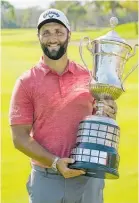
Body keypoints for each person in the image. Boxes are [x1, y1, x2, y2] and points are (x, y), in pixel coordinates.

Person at [9, 8, 117, 203]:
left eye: (59, 31)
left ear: (69, 34)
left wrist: (108, 112)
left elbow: (100, 121)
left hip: (89, 176)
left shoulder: (90, 77)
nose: (53, 38)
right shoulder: (26, 82)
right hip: (47, 178)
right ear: (39, 37)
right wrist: (55, 162)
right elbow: (19, 138)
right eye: (46, 32)